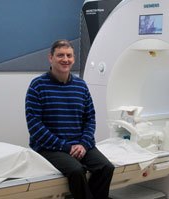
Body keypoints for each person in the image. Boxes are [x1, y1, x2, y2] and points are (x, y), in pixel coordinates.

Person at [25, 39, 114, 199]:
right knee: (76, 170)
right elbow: (35, 126)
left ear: (73, 59)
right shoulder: (37, 85)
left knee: (106, 167)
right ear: (50, 58)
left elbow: (90, 118)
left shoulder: (81, 85)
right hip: (49, 147)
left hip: (79, 144)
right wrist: (66, 147)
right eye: (60, 55)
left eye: (69, 55)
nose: (65, 59)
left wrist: (84, 144)